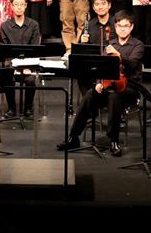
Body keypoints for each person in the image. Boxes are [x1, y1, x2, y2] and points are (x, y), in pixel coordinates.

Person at [58, 11, 144, 157]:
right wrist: (99, 82)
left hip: (129, 89)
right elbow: (102, 68)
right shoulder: (110, 44)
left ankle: (114, 140)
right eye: (120, 26)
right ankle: (73, 137)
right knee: (90, 95)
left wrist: (118, 55)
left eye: (126, 26)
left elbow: (131, 65)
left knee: (114, 96)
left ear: (131, 27)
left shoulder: (138, 45)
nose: (123, 29)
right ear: (115, 27)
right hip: (109, 86)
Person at [0, 0, 42, 118]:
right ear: (12, 6)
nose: (19, 7)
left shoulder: (33, 25)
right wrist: (13, 66)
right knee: (7, 78)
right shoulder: (5, 26)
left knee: (30, 80)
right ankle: (11, 108)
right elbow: (5, 50)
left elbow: (35, 49)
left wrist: (28, 66)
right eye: (16, 4)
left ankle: (28, 108)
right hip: (11, 64)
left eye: (21, 4)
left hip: (29, 64)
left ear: (25, 6)